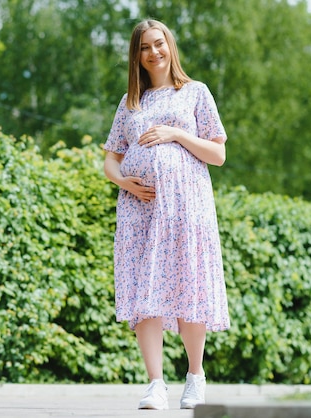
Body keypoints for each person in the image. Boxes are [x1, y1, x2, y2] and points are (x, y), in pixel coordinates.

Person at [103, 19, 231, 410]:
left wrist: (174, 134)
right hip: (139, 209)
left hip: (187, 206)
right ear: (136, 56)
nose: (153, 52)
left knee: (189, 282)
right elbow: (111, 159)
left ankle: (195, 377)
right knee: (145, 292)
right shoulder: (130, 103)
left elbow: (218, 154)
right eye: (145, 47)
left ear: (170, 46)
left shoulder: (195, 92)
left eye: (159, 44)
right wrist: (126, 183)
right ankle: (155, 383)